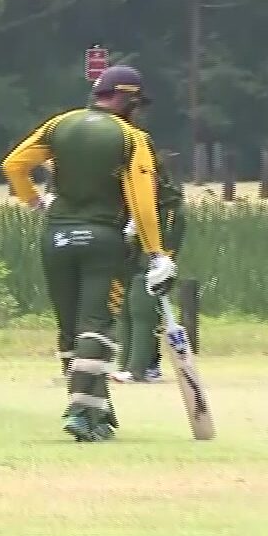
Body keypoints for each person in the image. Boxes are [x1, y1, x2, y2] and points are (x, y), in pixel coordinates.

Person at [1, 64, 176, 442]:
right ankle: (81, 410)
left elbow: (14, 165)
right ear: (127, 99)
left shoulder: (59, 125)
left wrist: (35, 200)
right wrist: (157, 252)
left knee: (70, 328)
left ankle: (97, 407)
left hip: (57, 239)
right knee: (95, 326)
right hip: (103, 240)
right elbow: (143, 203)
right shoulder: (132, 139)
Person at [113, 152, 186, 384]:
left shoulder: (169, 208)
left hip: (155, 262)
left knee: (142, 302)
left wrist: (160, 260)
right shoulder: (128, 203)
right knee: (124, 306)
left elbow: (169, 241)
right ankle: (125, 364)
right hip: (131, 261)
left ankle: (139, 368)